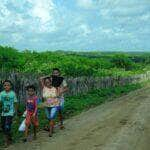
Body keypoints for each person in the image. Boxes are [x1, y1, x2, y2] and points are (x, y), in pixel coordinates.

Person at [0, 80, 18, 146]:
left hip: (10, 113)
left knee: (7, 126)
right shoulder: (1, 93)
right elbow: (1, 103)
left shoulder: (13, 93)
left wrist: (15, 113)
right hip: (3, 113)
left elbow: (15, 103)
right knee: (3, 127)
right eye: (5, 85)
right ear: (3, 86)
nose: (6, 86)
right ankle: (10, 137)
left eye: (8, 85)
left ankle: (6, 142)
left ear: (10, 86)